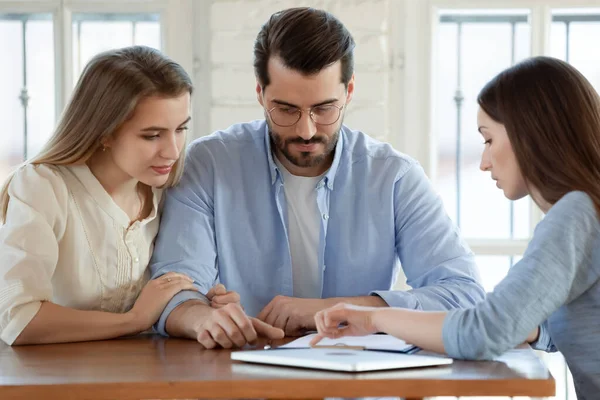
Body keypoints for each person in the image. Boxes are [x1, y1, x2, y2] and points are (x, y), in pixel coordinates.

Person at [149, 7, 485, 349]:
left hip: (358, 380)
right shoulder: (210, 164)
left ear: (349, 91)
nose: (306, 130)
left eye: (324, 108)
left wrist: (334, 311)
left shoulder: (394, 177)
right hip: (240, 374)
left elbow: (464, 294)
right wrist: (202, 317)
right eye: (286, 110)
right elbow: (174, 289)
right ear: (260, 94)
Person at [311, 56, 600, 400]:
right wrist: (526, 327)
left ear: (530, 134)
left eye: (489, 140)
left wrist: (373, 318)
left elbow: (481, 333)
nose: (484, 162)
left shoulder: (576, 215)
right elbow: (561, 327)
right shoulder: (587, 210)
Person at [0, 46, 231, 346]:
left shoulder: (168, 190)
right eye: (152, 135)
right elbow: (19, 318)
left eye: (180, 129)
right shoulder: (43, 186)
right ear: (104, 132)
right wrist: (134, 320)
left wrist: (200, 305)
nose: (173, 151)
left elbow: (169, 294)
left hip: (145, 379)